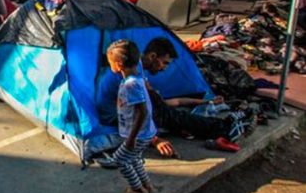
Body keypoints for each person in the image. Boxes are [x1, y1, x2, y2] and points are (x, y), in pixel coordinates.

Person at [96, 38, 253, 156]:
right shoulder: (129, 79)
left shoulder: (136, 70)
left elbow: (166, 102)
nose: (165, 68)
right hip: (115, 117)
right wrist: (155, 140)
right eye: (164, 63)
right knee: (168, 114)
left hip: (127, 111)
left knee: (168, 110)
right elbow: (135, 114)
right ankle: (225, 128)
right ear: (152, 56)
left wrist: (206, 101)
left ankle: (221, 127)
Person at [106, 40, 158, 193]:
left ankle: (137, 190)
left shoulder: (131, 84)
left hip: (138, 134)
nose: (110, 66)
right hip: (144, 132)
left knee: (120, 160)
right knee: (134, 158)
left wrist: (131, 138)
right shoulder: (137, 76)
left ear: (119, 64)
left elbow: (142, 111)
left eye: (110, 62)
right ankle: (148, 186)